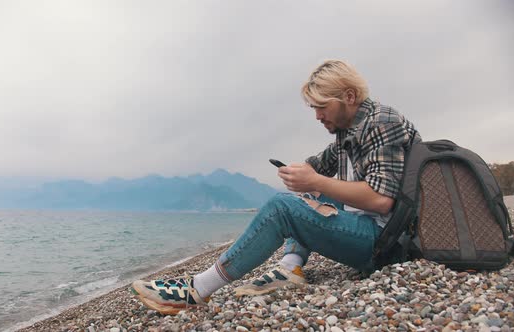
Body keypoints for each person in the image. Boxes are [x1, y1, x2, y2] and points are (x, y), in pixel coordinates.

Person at [130, 59, 422, 315]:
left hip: (385, 244)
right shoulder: (349, 130)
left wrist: (315, 182)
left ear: (349, 96)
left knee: (282, 207)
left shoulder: (382, 123)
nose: (318, 116)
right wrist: (303, 174)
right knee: (312, 187)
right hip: (373, 230)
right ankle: (291, 267)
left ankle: (198, 288)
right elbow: (317, 167)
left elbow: (382, 199)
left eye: (322, 106)